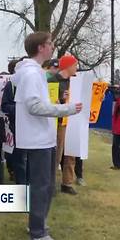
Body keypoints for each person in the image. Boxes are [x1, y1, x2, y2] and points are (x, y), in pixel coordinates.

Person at [12, 31, 82, 240]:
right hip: (38, 138)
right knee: (42, 186)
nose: (52, 47)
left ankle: (38, 224)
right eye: (50, 44)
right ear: (41, 47)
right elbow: (34, 107)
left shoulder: (34, 72)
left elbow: (44, 86)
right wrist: (65, 109)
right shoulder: (32, 74)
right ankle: (37, 231)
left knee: (46, 185)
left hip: (41, 137)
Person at [47, 54, 79, 195]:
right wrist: (61, 99)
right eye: (75, 65)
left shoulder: (75, 82)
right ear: (68, 66)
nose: (76, 68)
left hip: (72, 121)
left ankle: (67, 182)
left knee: (71, 152)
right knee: (57, 154)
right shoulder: (52, 81)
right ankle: (50, 184)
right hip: (59, 122)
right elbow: (49, 102)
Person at [1, 57, 28, 184]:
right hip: (17, 127)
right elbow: (4, 106)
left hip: (36, 128)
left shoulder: (38, 83)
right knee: (20, 159)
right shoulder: (11, 84)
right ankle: (22, 185)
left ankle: (32, 186)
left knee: (32, 160)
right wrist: (21, 109)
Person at [112, 85, 120, 170]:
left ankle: (117, 164)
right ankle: (116, 164)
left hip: (117, 128)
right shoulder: (117, 101)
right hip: (117, 128)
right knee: (115, 146)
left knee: (116, 146)